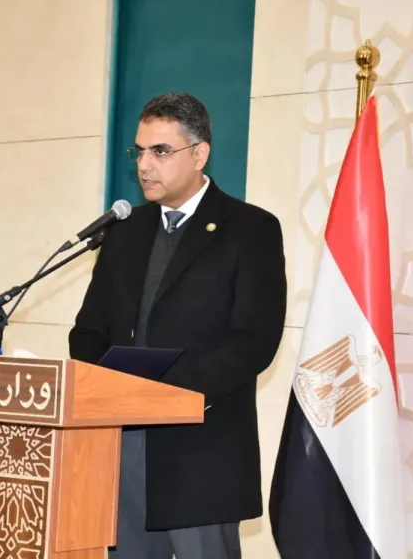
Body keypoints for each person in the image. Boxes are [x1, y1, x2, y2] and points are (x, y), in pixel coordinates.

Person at [69, 92, 287, 559]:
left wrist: (169, 393)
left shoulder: (250, 229)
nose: (145, 165)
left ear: (199, 153)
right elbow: (87, 331)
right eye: (139, 151)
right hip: (123, 448)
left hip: (201, 452)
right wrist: (108, 388)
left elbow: (254, 340)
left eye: (161, 151)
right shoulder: (123, 232)